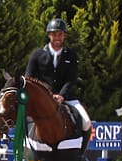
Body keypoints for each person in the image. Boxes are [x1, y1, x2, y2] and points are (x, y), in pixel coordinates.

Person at [25, 18, 92, 153]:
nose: (57, 37)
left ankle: (80, 158)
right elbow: (29, 79)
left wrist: (61, 95)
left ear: (64, 36)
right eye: (54, 34)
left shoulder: (71, 55)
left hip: (66, 97)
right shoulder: (37, 55)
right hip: (42, 100)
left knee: (86, 122)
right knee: (23, 118)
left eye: (60, 34)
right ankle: (23, 155)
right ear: (49, 35)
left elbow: (71, 79)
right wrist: (46, 95)